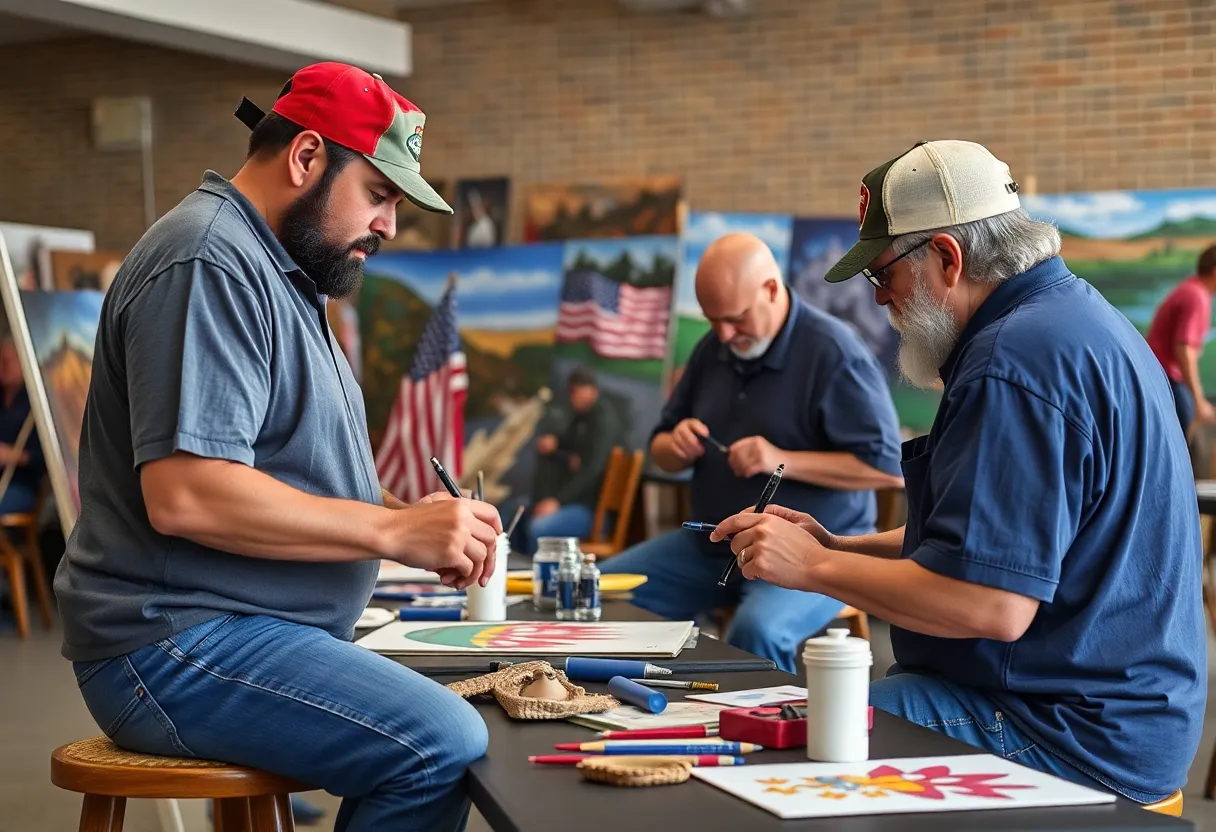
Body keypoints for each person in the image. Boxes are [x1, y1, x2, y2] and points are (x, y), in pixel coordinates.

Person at [53, 62, 504, 832]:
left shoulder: (281, 273)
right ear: (305, 158)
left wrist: (409, 514)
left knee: (464, 705)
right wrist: (392, 533)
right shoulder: (208, 262)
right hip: (172, 643)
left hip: (241, 627)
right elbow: (188, 493)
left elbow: (285, 467)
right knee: (439, 741)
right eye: (380, 195)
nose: (389, 225)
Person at [711, 141, 1205, 804]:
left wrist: (813, 570)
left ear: (947, 257)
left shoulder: (1016, 361)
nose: (883, 300)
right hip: (1105, 712)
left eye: (884, 275)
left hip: (1066, 732)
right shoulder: (1070, 320)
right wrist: (835, 545)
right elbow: (985, 543)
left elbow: (990, 602)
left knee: (783, 757)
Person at [601, 232, 904, 672]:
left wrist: (779, 458)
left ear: (770, 289)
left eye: (735, 318)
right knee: (602, 592)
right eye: (712, 320)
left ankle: (760, 733)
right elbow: (661, 450)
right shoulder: (713, 349)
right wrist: (677, 445)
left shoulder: (835, 353)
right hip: (708, 546)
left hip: (807, 551)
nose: (724, 334)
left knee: (756, 632)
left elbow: (888, 468)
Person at [508, 366, 620, 555]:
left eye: (576, 392)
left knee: (539, 528)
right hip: (569, 500)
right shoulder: (583, 417)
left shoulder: (603, 421)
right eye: (571, 392)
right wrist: (557, 444)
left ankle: (537, 578)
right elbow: (573, 443)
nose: (572, 397)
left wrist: (558, 501)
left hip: (589, 508)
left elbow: (592, 469)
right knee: (517, 514)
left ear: (591, 390)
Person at [1146, 246, 1216, 434]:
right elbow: (1184, 350)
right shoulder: (1197, 296)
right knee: (1182, 440)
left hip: (1161, 375)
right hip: (1167, 379)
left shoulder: (1193, 288)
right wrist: (1199, 399)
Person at [0, 337, 43, 513]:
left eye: (8, 361)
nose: (3, 366)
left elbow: (42, 459)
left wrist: (13, 456)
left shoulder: (35, 406)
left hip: (21, 485)